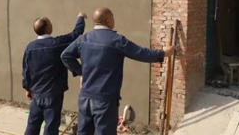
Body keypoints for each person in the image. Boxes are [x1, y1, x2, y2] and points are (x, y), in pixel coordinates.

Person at [61, 7, 174, 135]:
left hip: (85, 98)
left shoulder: (83, 39)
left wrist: (80, 72)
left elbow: (65, 55)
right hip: (105, 100)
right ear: (108, 21)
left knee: (84, 132)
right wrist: (163, 53)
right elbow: (141, 53)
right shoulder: (116, 40)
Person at [22, 12, 87, 135]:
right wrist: (81, 18)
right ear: (48, 28)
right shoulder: (58, 44)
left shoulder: (30, 47)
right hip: (53, 94)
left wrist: (27, 88)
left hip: (36, 94)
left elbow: (26, 69)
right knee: (51, 127)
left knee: (32, 125)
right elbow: (76, 34)